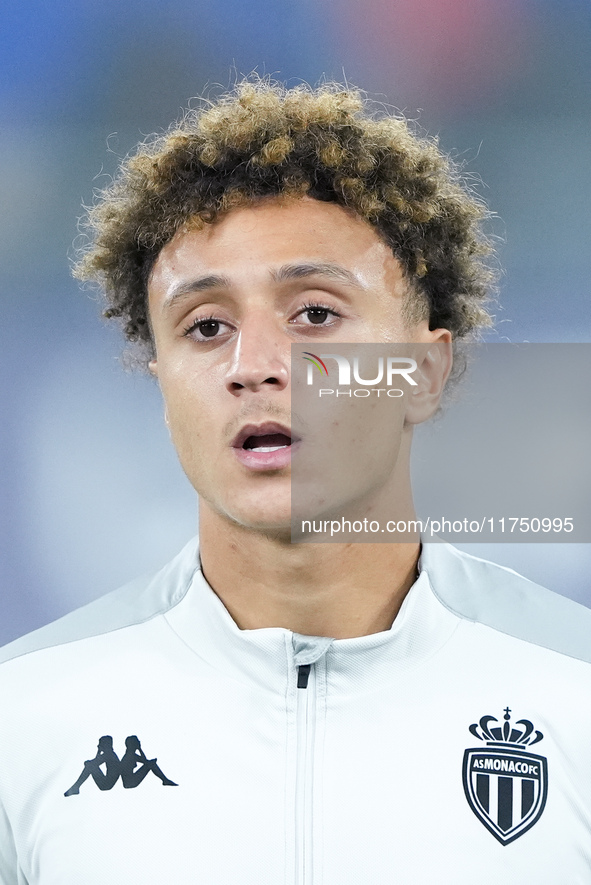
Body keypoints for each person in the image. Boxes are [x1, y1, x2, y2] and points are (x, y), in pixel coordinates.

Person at [0, 79, 589, 884]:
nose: (256, 367)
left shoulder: (575, 690)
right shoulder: (23, 717)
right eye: (206, 327)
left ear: (423, 371)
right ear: (160, 382)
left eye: (314, 314)